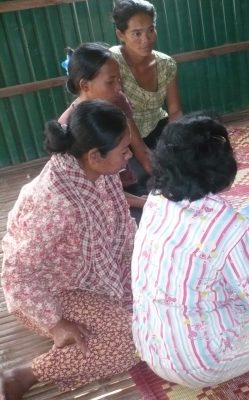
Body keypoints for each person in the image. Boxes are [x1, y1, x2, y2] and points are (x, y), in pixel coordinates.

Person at [131, 114, 249, 399]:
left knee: (218, 291)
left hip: (152, 348)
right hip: (201, 363)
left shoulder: (156, 200)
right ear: (220, 166)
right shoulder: (230, 226)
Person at [0, 100, 140, 399]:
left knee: (148, 322)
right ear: (94, 155)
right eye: (124, 150)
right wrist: (55, 324)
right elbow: (17, 274)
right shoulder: (53, 202)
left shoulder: (96, 172)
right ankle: (24, 375)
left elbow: (119, 229)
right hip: (48, 293)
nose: (129, 155)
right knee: (131, 344)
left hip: (92, 280)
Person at [59, 42, 149, 217]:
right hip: (95, 203)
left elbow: (140, 147)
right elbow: (95, 193)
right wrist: (142, 202)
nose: (118, 87)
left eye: (119, 79)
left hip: (124, 181)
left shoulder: (118, 100)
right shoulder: (68, 126)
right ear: (85, 85)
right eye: (110, 82)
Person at [110, 0, 182, 149]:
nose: (146, 39)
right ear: (120, 34)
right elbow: (122, 116)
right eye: (137, 33)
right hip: (122, 136)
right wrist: (144, 156)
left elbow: (174, 111)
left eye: (151, 30)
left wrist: (176, 140)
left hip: (157, 127)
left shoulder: (166, 64)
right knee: (143, 172)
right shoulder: (112, 62)